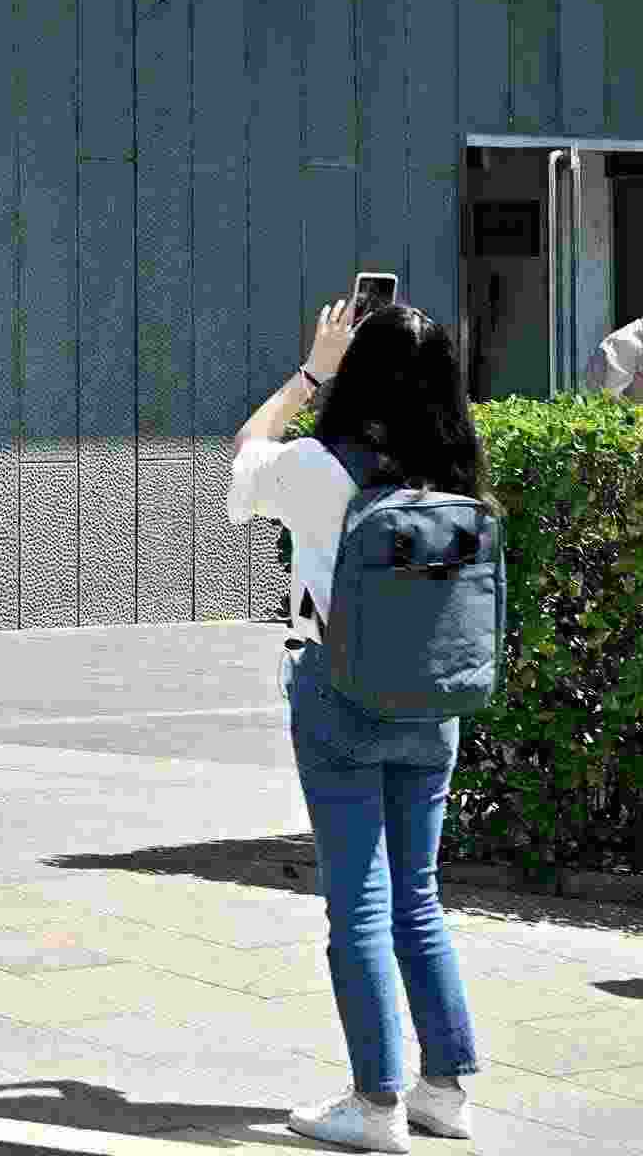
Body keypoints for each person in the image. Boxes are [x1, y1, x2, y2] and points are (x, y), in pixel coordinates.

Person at [230, 299, 487, 1153]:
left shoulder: (319, 466)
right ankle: (443, 1090)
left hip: (339, 697)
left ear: (358, 376)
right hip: (433, 702)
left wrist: (311, 371)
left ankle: (375, 1106)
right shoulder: (456, 469)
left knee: (359, 904)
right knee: (418, 894)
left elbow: (245, 456)